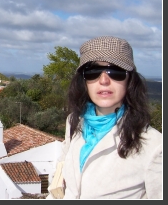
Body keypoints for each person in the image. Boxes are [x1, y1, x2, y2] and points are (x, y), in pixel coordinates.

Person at [47, 36, 162, 199]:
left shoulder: (154, 146)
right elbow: (61, 180)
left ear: (130, 80)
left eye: (116, 71)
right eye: (93, 72)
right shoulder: (74, 122)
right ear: (83, 81)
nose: (104, 80)